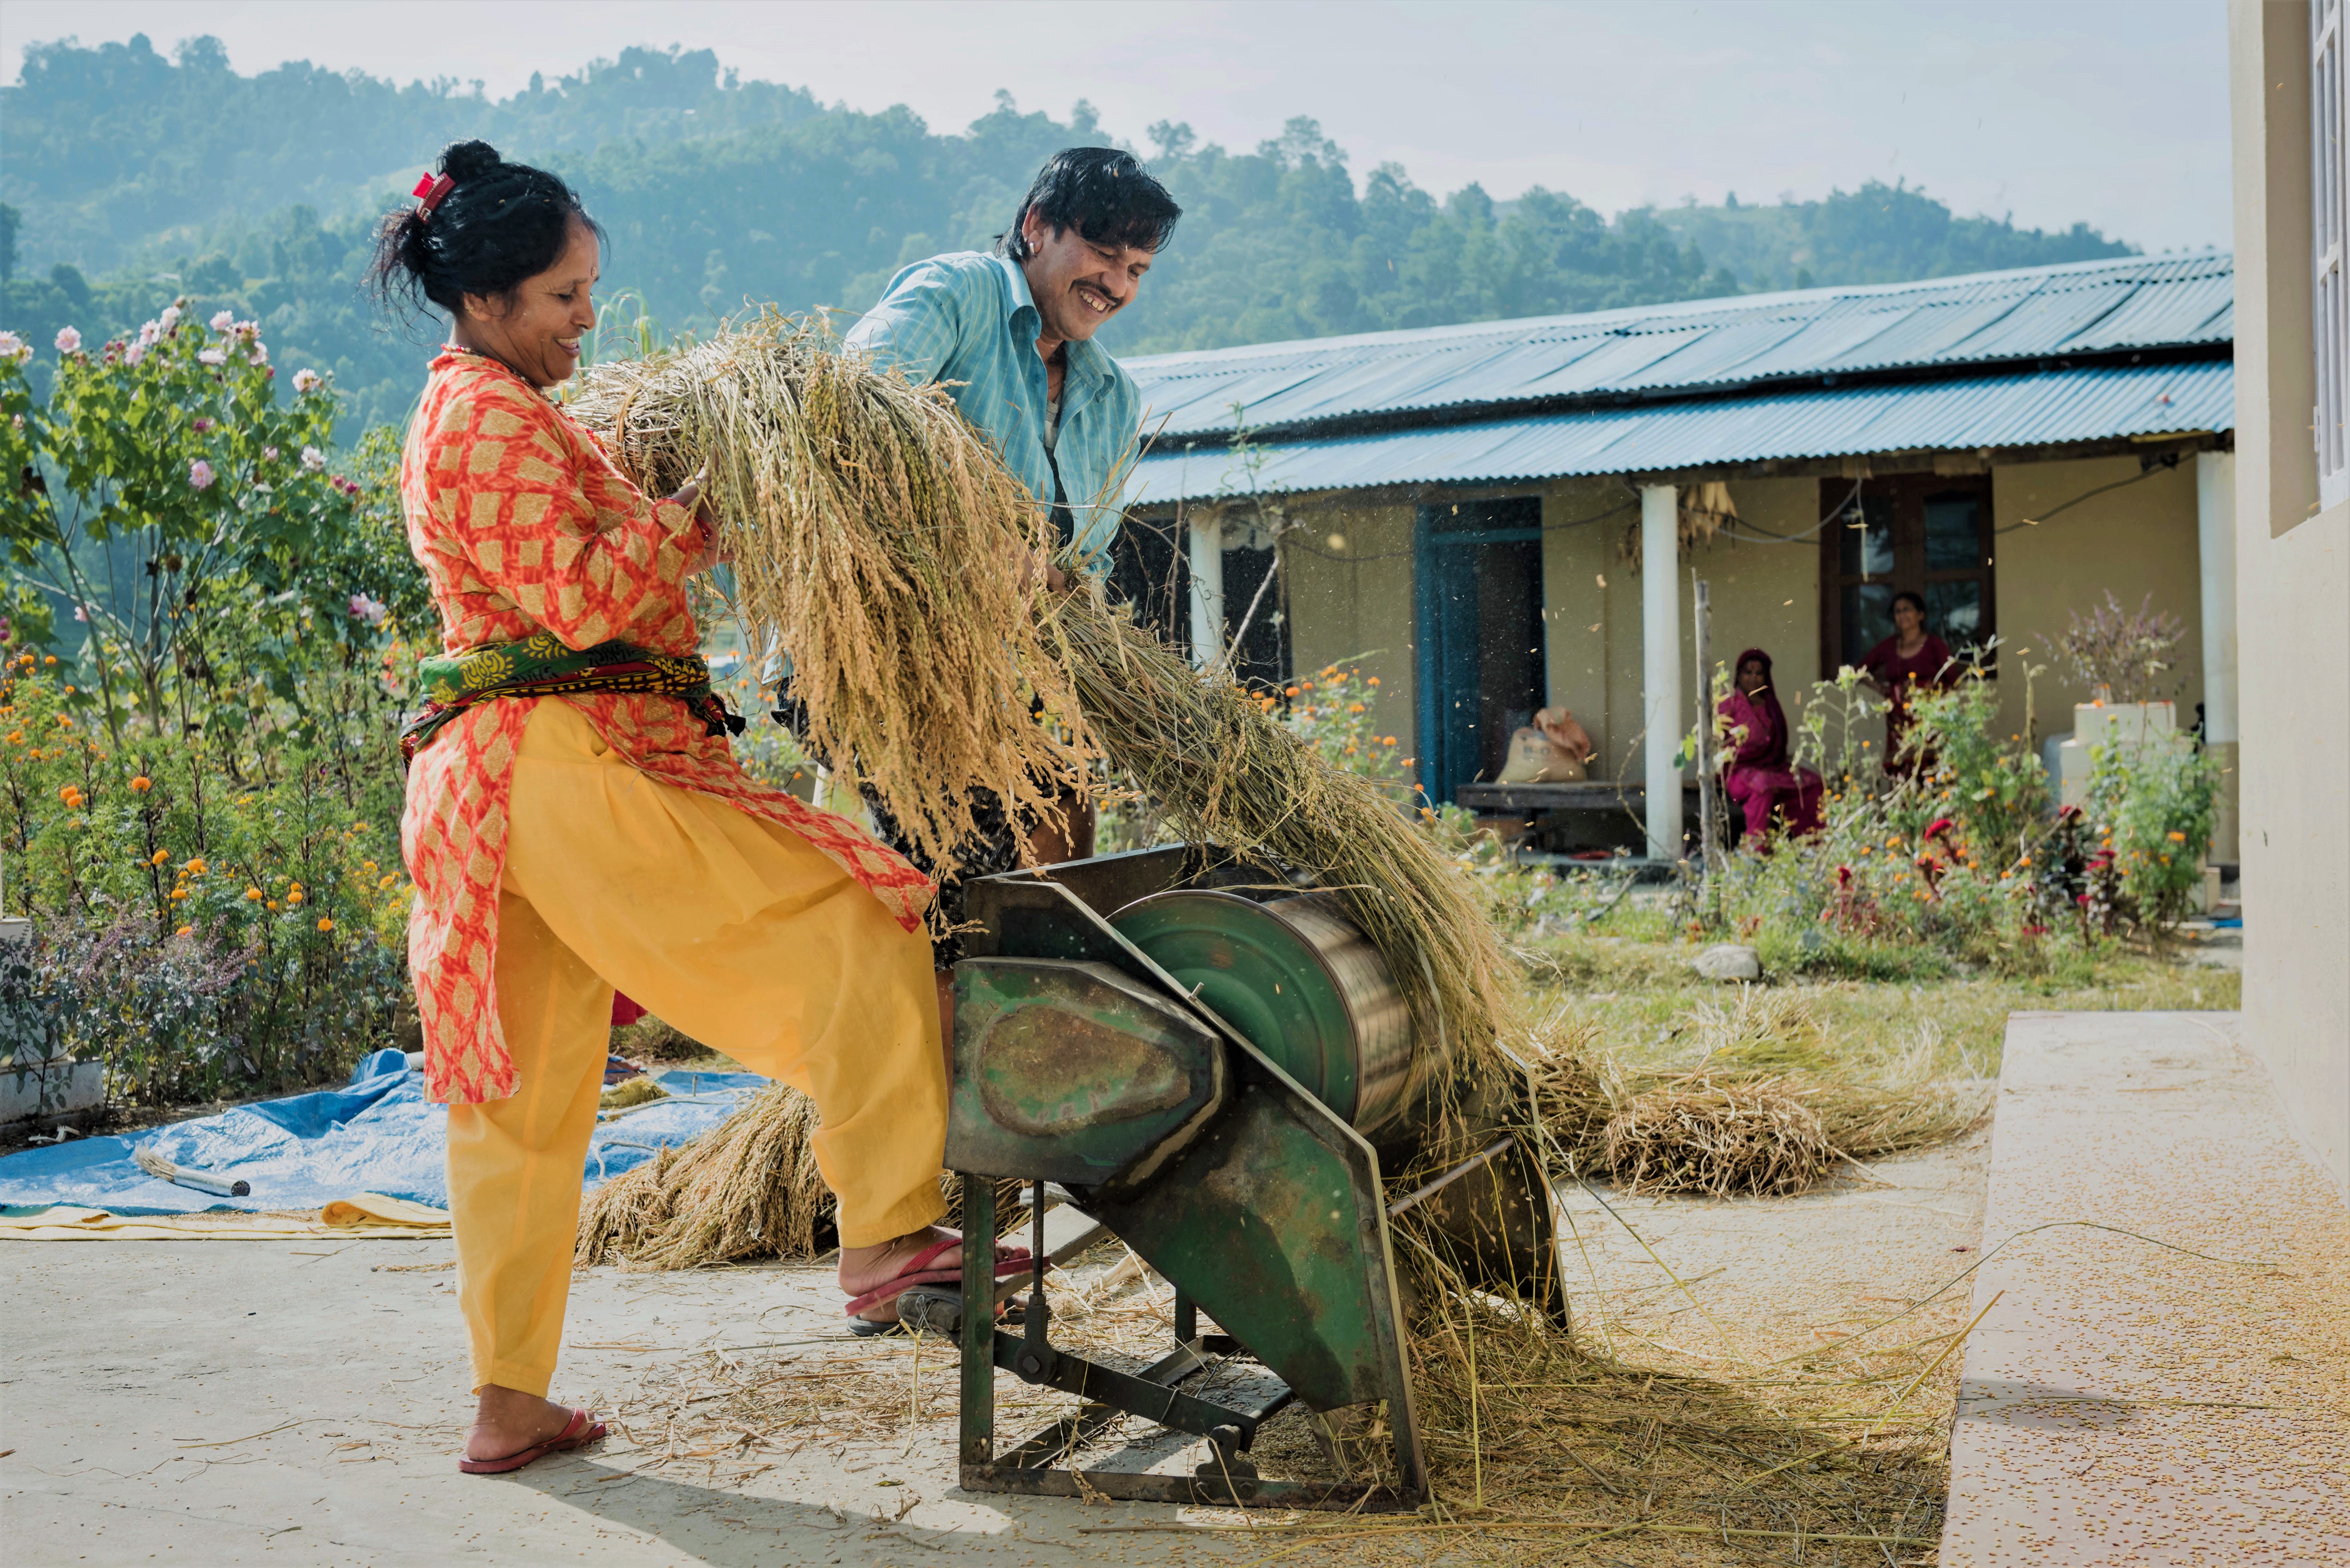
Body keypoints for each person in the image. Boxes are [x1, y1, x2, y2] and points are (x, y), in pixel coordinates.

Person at [371, 141, 1020, 1474]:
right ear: (486, 300)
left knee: (521, 1112)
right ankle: (888, 1232)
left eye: (589, 290)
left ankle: (508, 1401)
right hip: (555, 763)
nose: (586, 318)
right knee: (858, 914)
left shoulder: (511, 408)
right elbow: (581, 598)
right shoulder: (482, 416)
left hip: (500, 789)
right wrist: (701, 511)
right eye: (563, 296)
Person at [843, 147, 1182, 967]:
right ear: (1036, 226)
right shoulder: (959, 294)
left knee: (1061, 845)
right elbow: (851, 409)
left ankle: (1015, 1028)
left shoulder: (1112, 397)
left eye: (1136, 269)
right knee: (970, 890)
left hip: (1005, 684)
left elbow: (1086, 570)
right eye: (1102, 254)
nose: (1116, 285)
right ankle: (934, 1031)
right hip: (886, 656)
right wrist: (969, 535)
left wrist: (1059, 583)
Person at [1717, 649, 1822, 846]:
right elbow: (1717, 740)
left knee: (1812, 783)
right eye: (1748, 672)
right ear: (1739, 675)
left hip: (1772, 768)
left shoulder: (1770, 705)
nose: (1753, 678)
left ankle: (1813, 844)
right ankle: (1755, 850)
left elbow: (1778, 744)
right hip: (1737, 770)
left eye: (1759, 673)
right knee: (1762, 786)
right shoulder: (1729, 703)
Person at [1861, 591, 1954, 776]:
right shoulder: (1889, 646)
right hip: (1898, 725)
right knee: (1902, 775)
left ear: (1921, 615)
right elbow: (1861, 671)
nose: (1902, 615)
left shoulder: (1935, 645)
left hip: (1929, 721)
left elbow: (1952, 681)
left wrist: (1932, 694)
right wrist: (1882, 690)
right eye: (1898, 611)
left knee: (1932, 775)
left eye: (1907, 610)